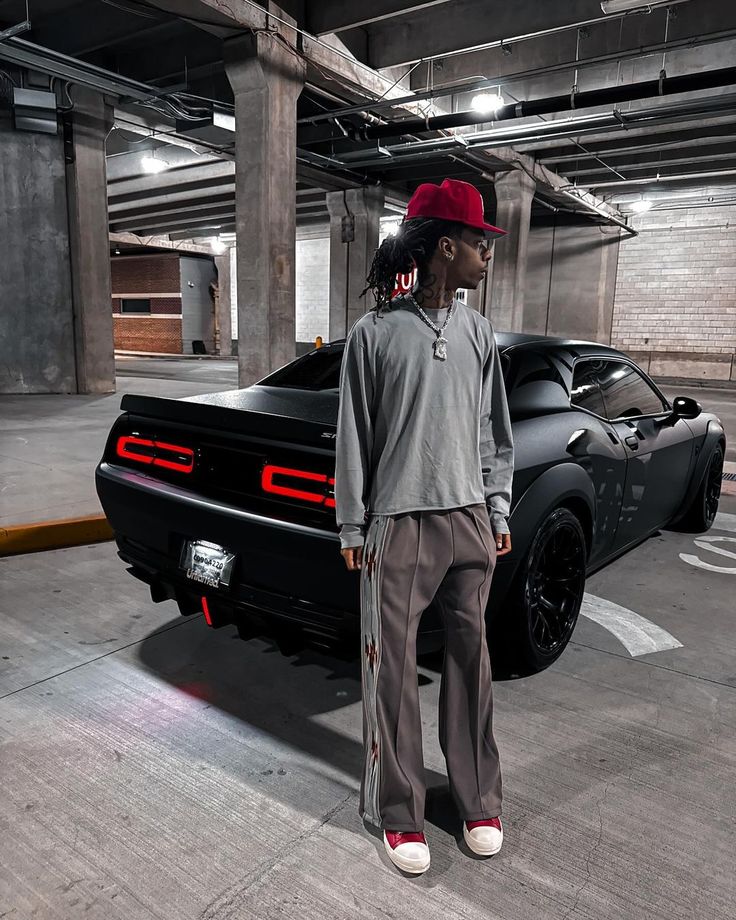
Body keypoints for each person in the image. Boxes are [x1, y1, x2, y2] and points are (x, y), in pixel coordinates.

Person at [334, 177, 514, 875]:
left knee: (474, 666)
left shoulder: (476, 332)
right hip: (398, 526)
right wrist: (354, 527)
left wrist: (495, 506)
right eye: (478, 243)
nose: (485, 255)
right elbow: (354, 437)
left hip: (468, 520)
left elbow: (494, 431)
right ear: (446, 247)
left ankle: (478, 799)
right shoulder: (374, 335)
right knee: (393, 673)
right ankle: (400, 812)